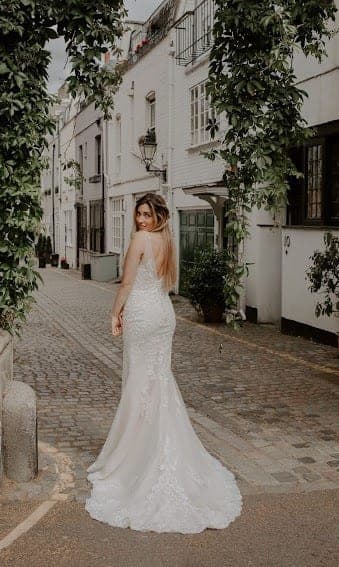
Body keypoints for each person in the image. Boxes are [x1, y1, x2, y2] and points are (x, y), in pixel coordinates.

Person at [85, 193, 242, 534]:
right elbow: (165, 284)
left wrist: (115, 313)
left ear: (157, 215)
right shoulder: (166, 241)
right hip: (162, 314)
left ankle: (136, 454)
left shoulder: (141, 239)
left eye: (146, 214)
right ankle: (153, 443)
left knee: (140, 381)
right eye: (138, 214)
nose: (141, 220)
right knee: (157, 381)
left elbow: (126, 282)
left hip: (142, 315)